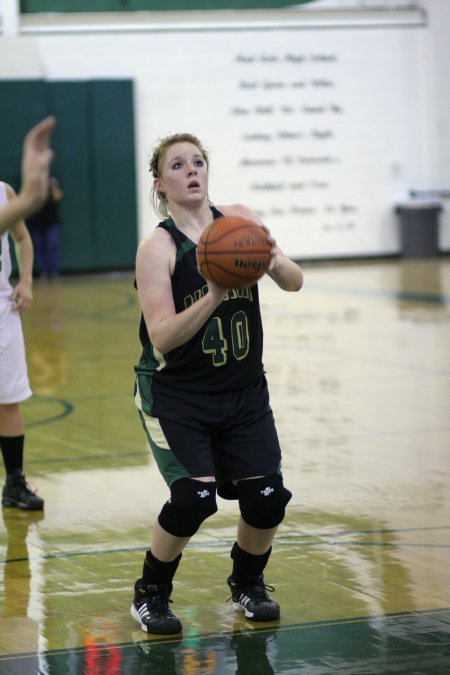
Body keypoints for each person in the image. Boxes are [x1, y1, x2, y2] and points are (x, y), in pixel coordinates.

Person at [131, 132, 303, 635]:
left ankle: (247, 582)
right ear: (161, 183)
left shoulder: (241, 221)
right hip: (176, 394)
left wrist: (269, 259)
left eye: (198, 162)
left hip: (244, 391)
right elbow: (162, 336)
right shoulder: (157, 247)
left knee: (269, 498)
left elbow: (294, 280)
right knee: (194, 498)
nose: (191, 171)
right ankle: (151, 593)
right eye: (178, 165)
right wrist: (215, 291)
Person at [1, 116, 56, 510]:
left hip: (2, 310)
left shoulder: (3, 192)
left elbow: (22, 238)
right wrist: (31, 196)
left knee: (10, 399)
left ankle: (14, 482)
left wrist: (26, 281)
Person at [28, 175, 63, 278]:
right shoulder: (30, 181)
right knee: (38, 247)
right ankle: (43, 271)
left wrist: (53, 186)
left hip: (51, 222)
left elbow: (58, 197)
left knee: (52, 245)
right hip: (35, 222)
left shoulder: (53, 180)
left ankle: (54, 270)